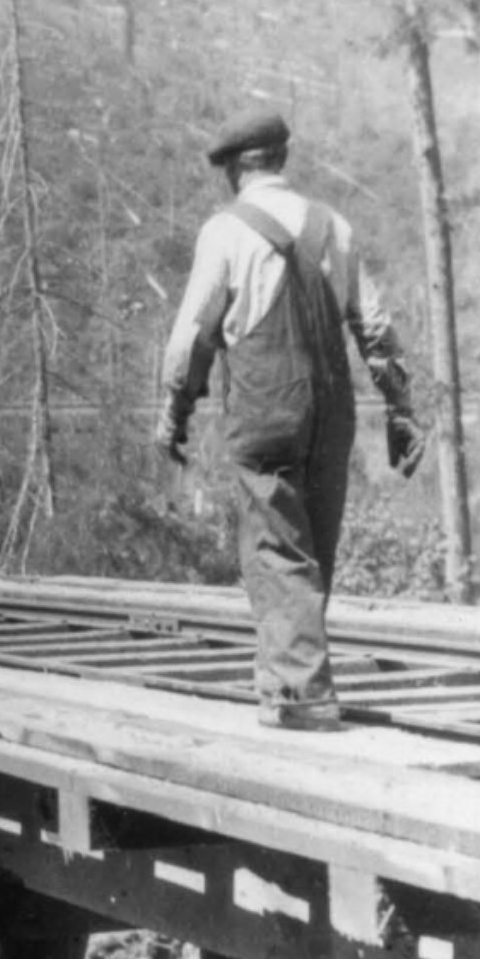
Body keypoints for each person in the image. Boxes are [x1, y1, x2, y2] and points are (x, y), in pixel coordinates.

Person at [157, 109, 423, 731]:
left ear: (234, 170)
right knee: (313, 546)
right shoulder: (335, 226)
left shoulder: (225, 232)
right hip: (332, 410)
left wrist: (175, 408)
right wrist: (402, 408)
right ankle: (283, 685)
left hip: (265, 406)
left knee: (279, 549)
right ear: (279, 159)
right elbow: (377, 330)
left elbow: (193, 337)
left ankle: (302, 697)